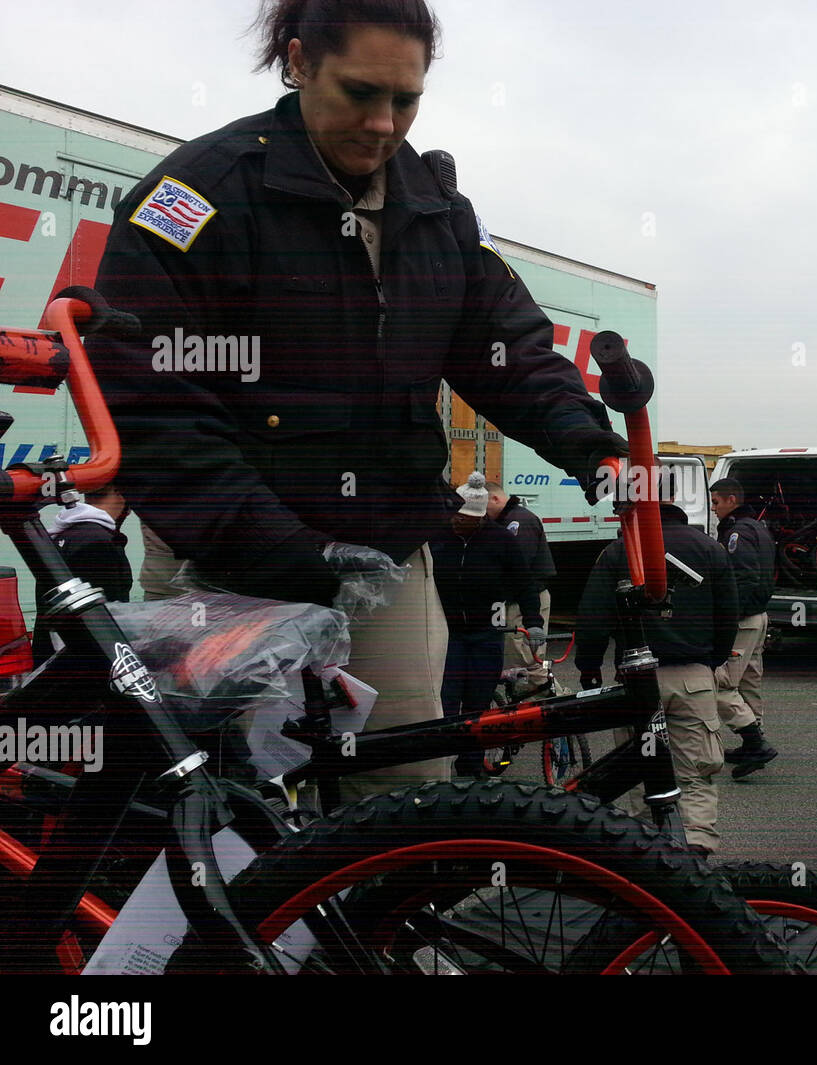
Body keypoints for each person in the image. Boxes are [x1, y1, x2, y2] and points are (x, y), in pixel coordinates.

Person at [85, 0, 626, 800]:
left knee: (406, 793)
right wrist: (289, 552)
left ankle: (380, 924)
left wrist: (593, 445)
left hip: (385, 564)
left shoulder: (435, 209)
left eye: (405, 101)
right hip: (223, 566)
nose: (382, 124)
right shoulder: (199, 197)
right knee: (223, 808)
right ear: (299, 62)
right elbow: (151, 401)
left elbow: (505, 350)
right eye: (359, 93)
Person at [575, 475, 738, 855]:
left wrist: (589, 668)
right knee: (696, 771)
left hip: (635, 682)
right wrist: (709, 661)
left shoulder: (618, 551)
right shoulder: (710, 549)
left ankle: (646, 855)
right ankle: (696, 851)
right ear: (673, 497)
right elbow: (729, 614)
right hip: (692, 677)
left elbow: (593, 617)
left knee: (637, 769)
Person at [430, 473, 543, 776]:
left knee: (477, 708)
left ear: (478, 518)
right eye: (455, 515)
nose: (457, 521)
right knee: (446, 703)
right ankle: (439, 769)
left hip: (486, 635)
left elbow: (524, 583)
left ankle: (470, 770)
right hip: (448, 634)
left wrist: (534, 622)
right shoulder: (439, 535)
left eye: (464, 518)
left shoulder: (500, 539)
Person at [709, 477, 779, 777]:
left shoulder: (738, 533)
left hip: (743, 619)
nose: (713, 509)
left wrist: (727, 616)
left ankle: (754, 741)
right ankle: (755, 740)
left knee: (720, 683)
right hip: (758, 615)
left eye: (715, 502)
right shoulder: (757, 527)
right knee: (750, 678)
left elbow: (742, 577)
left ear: (731, 500)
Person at [32, 484, 134, 661]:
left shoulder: (66, 532)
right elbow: (106, 623)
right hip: (80, 672)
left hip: (52, 665)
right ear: (120, 492)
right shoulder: (97, 542)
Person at [486, 480, 555, 683]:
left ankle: (539, 700)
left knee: (526, 659)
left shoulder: (519, 522)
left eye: (483, 505)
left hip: (525, 601)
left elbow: (518, 569)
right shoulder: (507, 521)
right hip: (517, 600)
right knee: (516, 657)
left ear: (495, 498)